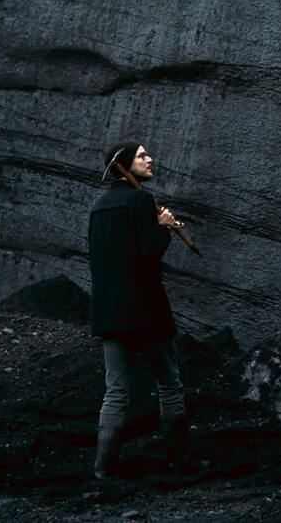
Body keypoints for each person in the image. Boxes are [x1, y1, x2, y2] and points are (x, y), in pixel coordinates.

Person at [88, 142, 190, 476]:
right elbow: (149, 253)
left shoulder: (99, 207)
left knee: (115, 390)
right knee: (169, 382)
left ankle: (103, 468)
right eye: (141, 156)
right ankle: (178, 460)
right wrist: (164, 225)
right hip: (146, 312)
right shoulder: (142, 200)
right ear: (124, 166)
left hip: (110, 313)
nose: (149, 160)